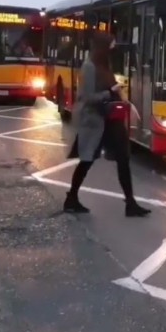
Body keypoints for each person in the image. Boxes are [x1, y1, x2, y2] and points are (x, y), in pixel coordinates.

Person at [63, 31, 152, 217]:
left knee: (123, 159)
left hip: (111, 119)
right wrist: (109, 91)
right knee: (86, 161)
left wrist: (117, 92)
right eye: (111, 44)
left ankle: (130, 203)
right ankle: (71, 198)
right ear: (103, 46)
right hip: (95, 121)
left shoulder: (104, 64)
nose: (114, 48)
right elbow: (86, 97)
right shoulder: (89, 66)